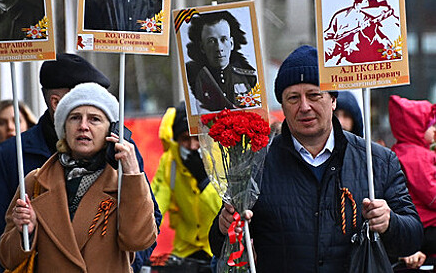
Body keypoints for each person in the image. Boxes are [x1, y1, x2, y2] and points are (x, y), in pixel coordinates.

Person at [208, 45, 423, 272]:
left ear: (333, 100)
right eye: (293, 98)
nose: (304, 107)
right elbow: (218, 245)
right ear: (282, 105)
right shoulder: (255, 165)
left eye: (314, 95)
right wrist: (225, 228)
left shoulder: (377, 161)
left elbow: (412, 238)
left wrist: (390, 222)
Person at [0, 53, 161, 273]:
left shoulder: (123, 173)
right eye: (74, 118)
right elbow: (1, 252)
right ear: (63, 127)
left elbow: (142, 239)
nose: (83, 126)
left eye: (95, 119)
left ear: (110, 129)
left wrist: (123, 262)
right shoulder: (34, 180)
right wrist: (27, 233)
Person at [151, 102, 221, 270]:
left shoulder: (221, 158)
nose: (192, 146)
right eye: (185, 139)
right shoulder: (169, 161)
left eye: (197, 137)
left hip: (219, 247)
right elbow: (155, 206)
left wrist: (204, 181)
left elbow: (226, 211)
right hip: (184, 251)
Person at [389, 95, 436, 269]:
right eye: (430, 126)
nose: (434, 131)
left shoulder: (406, 151)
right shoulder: (416, 156)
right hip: (424, 221)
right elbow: (431, 195)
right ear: (416, 128)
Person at [185, 11, 257, 112]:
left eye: (223, 39)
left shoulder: (248, 78)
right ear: (202, 47)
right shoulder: (197, 80)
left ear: (231, 44)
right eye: (211, 41)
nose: (219, 48)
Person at [323, 0, 400, 66]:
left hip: (378, 67)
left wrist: (369, 33)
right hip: (346, 68)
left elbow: (395, 40)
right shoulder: (340, 17)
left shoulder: (383, 12)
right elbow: (326, 40)